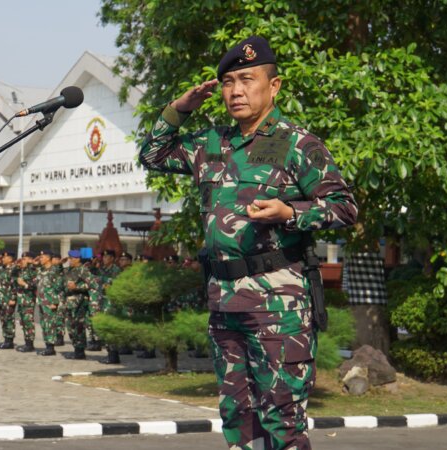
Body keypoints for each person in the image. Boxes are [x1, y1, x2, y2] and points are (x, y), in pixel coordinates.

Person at [139, 36, 358, 450]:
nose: (235, 91)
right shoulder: (211, 143)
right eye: (227, 82)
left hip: (279, 304)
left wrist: (290, 213)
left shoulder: (297, 144)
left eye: (246, 79)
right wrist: (180, 108)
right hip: (224, 300)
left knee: (282, 423)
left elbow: (343, 207)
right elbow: (152, 154)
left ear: (273, 86)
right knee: (237, 419)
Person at [32, 250, 65, 356]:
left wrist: (55, 302)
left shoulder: (54, 271)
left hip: (50, 302)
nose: (40, 259)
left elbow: (59, 287)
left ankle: (51, 348)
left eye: (42, 257)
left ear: (48, 258)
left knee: (50, 325)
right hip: (42, 302)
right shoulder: (42, 271)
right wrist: (35, 262)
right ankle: (48, 346)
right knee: (44, 324)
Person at [63, 249, 93, 360]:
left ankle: (80, 351)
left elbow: (91, 284)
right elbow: (57, 273)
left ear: (77, 259)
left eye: (71, 258)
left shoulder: (83, 270)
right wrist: (60, 263)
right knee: (70, 327)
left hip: (80, 303)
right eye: (69, 258)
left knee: (79, 327)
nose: (69, 260)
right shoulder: (69, 270)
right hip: (69, 303)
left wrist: (77, 287)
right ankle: (76, 349)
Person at [0, 251, 18, 349]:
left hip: (8, 299)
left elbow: (15, 285)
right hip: (1, 299)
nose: (3, 259)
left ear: (11, 259)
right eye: (3, 257)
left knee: (9, 320)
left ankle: (9, 341)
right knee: (3, 320)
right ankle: (6, 340)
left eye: (5, 257)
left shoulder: (14, 269)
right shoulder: (1, 269)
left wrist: (13, 298)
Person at [14, 251, 38, 352]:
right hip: (21, 300)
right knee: (23, 322)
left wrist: (24, 284)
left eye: (25, 259)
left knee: (28, 322)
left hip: (28, 300)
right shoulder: (21, 270)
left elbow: (35, 284)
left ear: (31, 260)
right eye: (22, 259)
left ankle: (30, 344)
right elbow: (12, 274)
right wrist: (17, 265)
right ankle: (27, 343)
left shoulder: (33, 270)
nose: (23, 260)